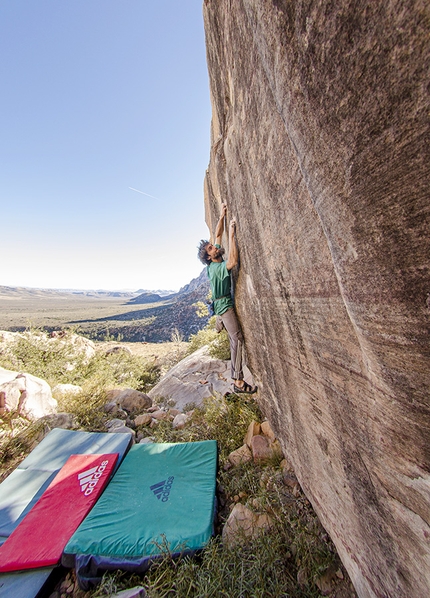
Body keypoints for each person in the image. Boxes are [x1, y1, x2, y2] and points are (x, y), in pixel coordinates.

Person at [198, 203, 257, 394]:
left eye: (212, 247)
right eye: (211, 249)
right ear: (210, 257)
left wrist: (222, 215)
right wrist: (231, 234)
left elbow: (216, 234)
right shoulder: (216, 269)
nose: (215, 247)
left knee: (232, 334)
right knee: (237, 338)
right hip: (224, 306)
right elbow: (232, 262)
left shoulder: (213, 258)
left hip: (220, 302)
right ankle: (238, 381)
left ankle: (218, 321)